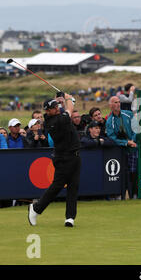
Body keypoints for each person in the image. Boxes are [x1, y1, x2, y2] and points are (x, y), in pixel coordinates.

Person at [28, 94, 81, 227]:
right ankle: (36, 208)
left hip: (74, 156)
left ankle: (70, 217)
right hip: (63, 158)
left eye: (56, 106)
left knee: (73, 187)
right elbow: (69, 110)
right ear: (48, 111)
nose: (56, 108)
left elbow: (67, 109)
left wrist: (66, 101)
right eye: (53, 107)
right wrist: (68, 99)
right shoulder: (54, 121)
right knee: (57, 186)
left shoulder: (58, 116)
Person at [106, 96, 138, 198]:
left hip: (133, 147)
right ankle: (123, 194)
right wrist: (126, 143)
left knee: (134, 171)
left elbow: (135, 128)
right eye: (115, 102)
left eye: (119, 102)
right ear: (110, 105)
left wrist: (132, 140)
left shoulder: (128, 114)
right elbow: (112, 138)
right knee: (123, 173)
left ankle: (135, 193)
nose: (118, 104)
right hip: (121, 150)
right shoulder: (109, 121)